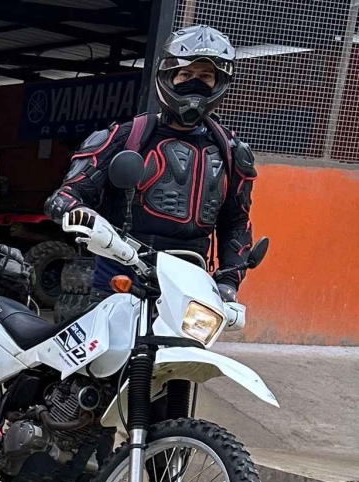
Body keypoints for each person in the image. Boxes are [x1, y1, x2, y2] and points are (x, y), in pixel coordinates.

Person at [45, 25, 256, 306]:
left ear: (219, 83)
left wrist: (228, 282)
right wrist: (80, 214)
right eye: (186, 75)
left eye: (206, 76)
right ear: (168, 76)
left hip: (190, 285)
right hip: (121, 277)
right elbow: (67, 196)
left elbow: (236, 222)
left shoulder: (231, 152)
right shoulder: (126, 136)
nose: (195, 84)